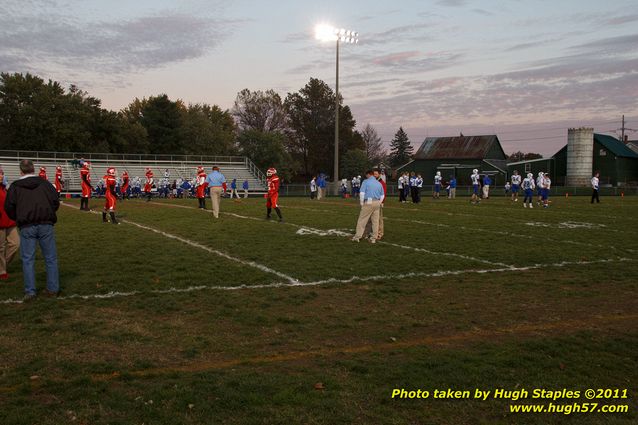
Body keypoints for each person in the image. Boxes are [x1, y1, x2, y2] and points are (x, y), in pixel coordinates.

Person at [4, 160, 60, 300]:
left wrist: (18, 217)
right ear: (33, 169)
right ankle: (53, 289)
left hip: (27, 225)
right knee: (50, 258)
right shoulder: (45, 183)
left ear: (21, 171)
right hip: (45, 224)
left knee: (28, 260)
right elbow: (55, 201)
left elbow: (9, 207)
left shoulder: (15, 187)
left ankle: (30, 291)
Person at [352, 169, 384, 244]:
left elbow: (362, 193)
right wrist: (379, 202)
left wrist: (361, 203)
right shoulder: (378, 183)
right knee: (375, 222)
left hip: (369, 202)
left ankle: (357, 237)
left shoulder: (366, 181)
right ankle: (374, 238)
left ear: (368, 175)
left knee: (362, 220)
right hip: (377, 202)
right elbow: (382, 195)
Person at [0, 170, 19, 281]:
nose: (1, 176)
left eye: (2, 174)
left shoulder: (4, 189)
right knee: (1, 248)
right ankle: (2, 271)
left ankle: (3, 264)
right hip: (1, 223)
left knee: (15, 244)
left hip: (10, 222)